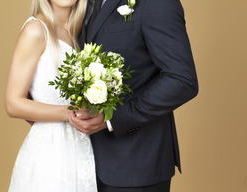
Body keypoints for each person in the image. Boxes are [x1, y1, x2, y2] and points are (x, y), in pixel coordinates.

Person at [69, 0, 199, 191]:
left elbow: (181, 80)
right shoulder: (79, 3)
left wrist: (114, 118)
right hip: (83, 166)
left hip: (137, 165)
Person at [5, 0, 97, 191]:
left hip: (81, 148)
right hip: (49, 154)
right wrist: (71, 113)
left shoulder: (81, 32)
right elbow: (13, 103)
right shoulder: (35, 29)